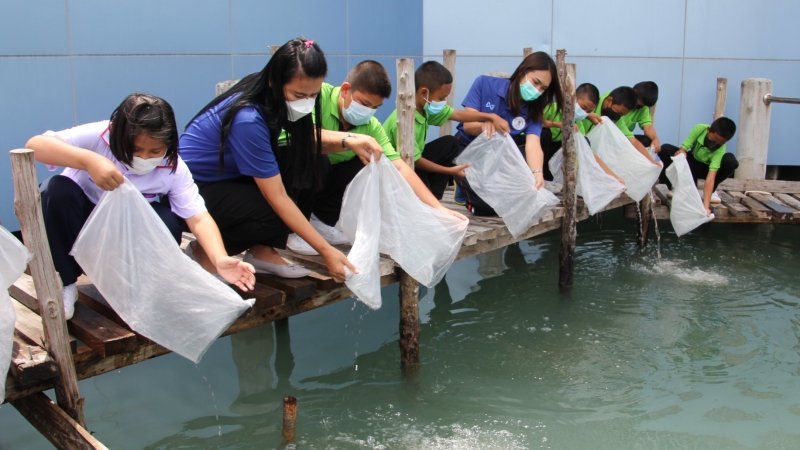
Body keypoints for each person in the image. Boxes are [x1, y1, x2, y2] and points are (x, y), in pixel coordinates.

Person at [27, 93, 256, 319]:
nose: (144, 157)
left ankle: (134, 283)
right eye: (136, 150)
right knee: (55, 189)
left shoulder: (174, 167)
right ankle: (65, 282)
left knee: (166, 221)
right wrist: (90, 160)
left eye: (155, 151)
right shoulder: (100, 135)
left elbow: (198, 216)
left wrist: (219, 259)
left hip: (119, 236)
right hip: (79, 224)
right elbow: (36, 145)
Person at [180, 38, 368, 282]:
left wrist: (349, 139)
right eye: (299, 94)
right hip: (194, 190)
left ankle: (262, 251)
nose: (306, 103)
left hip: (229, 178)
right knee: (276, 209)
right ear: (274, 81)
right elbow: (277, 196)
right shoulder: (248, 118)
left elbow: (304, 141)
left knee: (312, 165)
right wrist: (325, 250)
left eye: (313, 95)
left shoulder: (275, 99)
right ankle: (203, 252)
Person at [287, 60, 466, 255]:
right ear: (346, 90)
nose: (367, 112)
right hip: (290, 174)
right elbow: (302, 137)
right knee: (314, 155)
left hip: (326, 183)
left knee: (370, 160)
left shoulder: (371, 125)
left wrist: (439, 209)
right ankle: (293, 229)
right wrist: (349, 139)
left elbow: (400, 166)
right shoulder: (315, 95)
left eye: (375, 107)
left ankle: (321, 221)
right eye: (364, 104)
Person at [453, 51, 563, 214]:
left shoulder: (534, 109)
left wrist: (537, 173)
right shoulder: (485, 84)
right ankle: (465, 190)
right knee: (487, 209)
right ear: (522, 72)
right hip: (469, 150)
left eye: (543, 88)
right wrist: (484, 125)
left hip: (500, 156)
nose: (537, 90)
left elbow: (533, 144)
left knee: (516, 202)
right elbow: (468, 125)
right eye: (535, 82)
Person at [382, 60, 509, 199]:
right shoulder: (403, 118)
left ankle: (433, 197)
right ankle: (424, 199)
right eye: (441, 98)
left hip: (414, 160)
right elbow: (416, 161)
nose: (443, 102)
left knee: (450, 143)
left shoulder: (424, 108)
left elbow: (458, 114)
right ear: (424, 92)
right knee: (421, 186)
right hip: (395, 170)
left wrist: (490, 116)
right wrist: (449, 170)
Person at [658, 117, 738, 214]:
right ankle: (676, 186)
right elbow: (683, 148)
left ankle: (711, 192)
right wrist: (682, 153)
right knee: (665, 149)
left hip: (707, 170)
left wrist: (706, 207)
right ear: (709, 130)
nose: (715, 144)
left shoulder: (720, 150)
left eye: (719, 143)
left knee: (731, 161)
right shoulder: (699, 129)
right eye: (714, 140)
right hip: (692, 164)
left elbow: (711, 176)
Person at [585, 86, 660, 165]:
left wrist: (651, 162)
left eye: (621, 115)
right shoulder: (591, 106)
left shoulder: (617, 118)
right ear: (609, 101)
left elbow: (633, 141)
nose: (618, 116)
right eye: (618, 112)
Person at [540, 82, 600, 180]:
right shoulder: (553, 105)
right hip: (541, 147)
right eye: (583, 107)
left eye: (588, 112)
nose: (584, 113)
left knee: (584, 141)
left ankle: (570, 178)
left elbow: (584, 146)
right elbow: (534, 121)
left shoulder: (578, 119)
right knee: (544, 134)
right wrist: (558, 125)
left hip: (556, 152)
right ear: (573, 97)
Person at [624, 81, 662, 150]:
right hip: (611, 136)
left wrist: (655, 138)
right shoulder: (619, 98)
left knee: (648, 141)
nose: (638, 105)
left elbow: (647, 127)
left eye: (641, 105)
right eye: (637, 102)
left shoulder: (643, 108)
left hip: (626, 137)